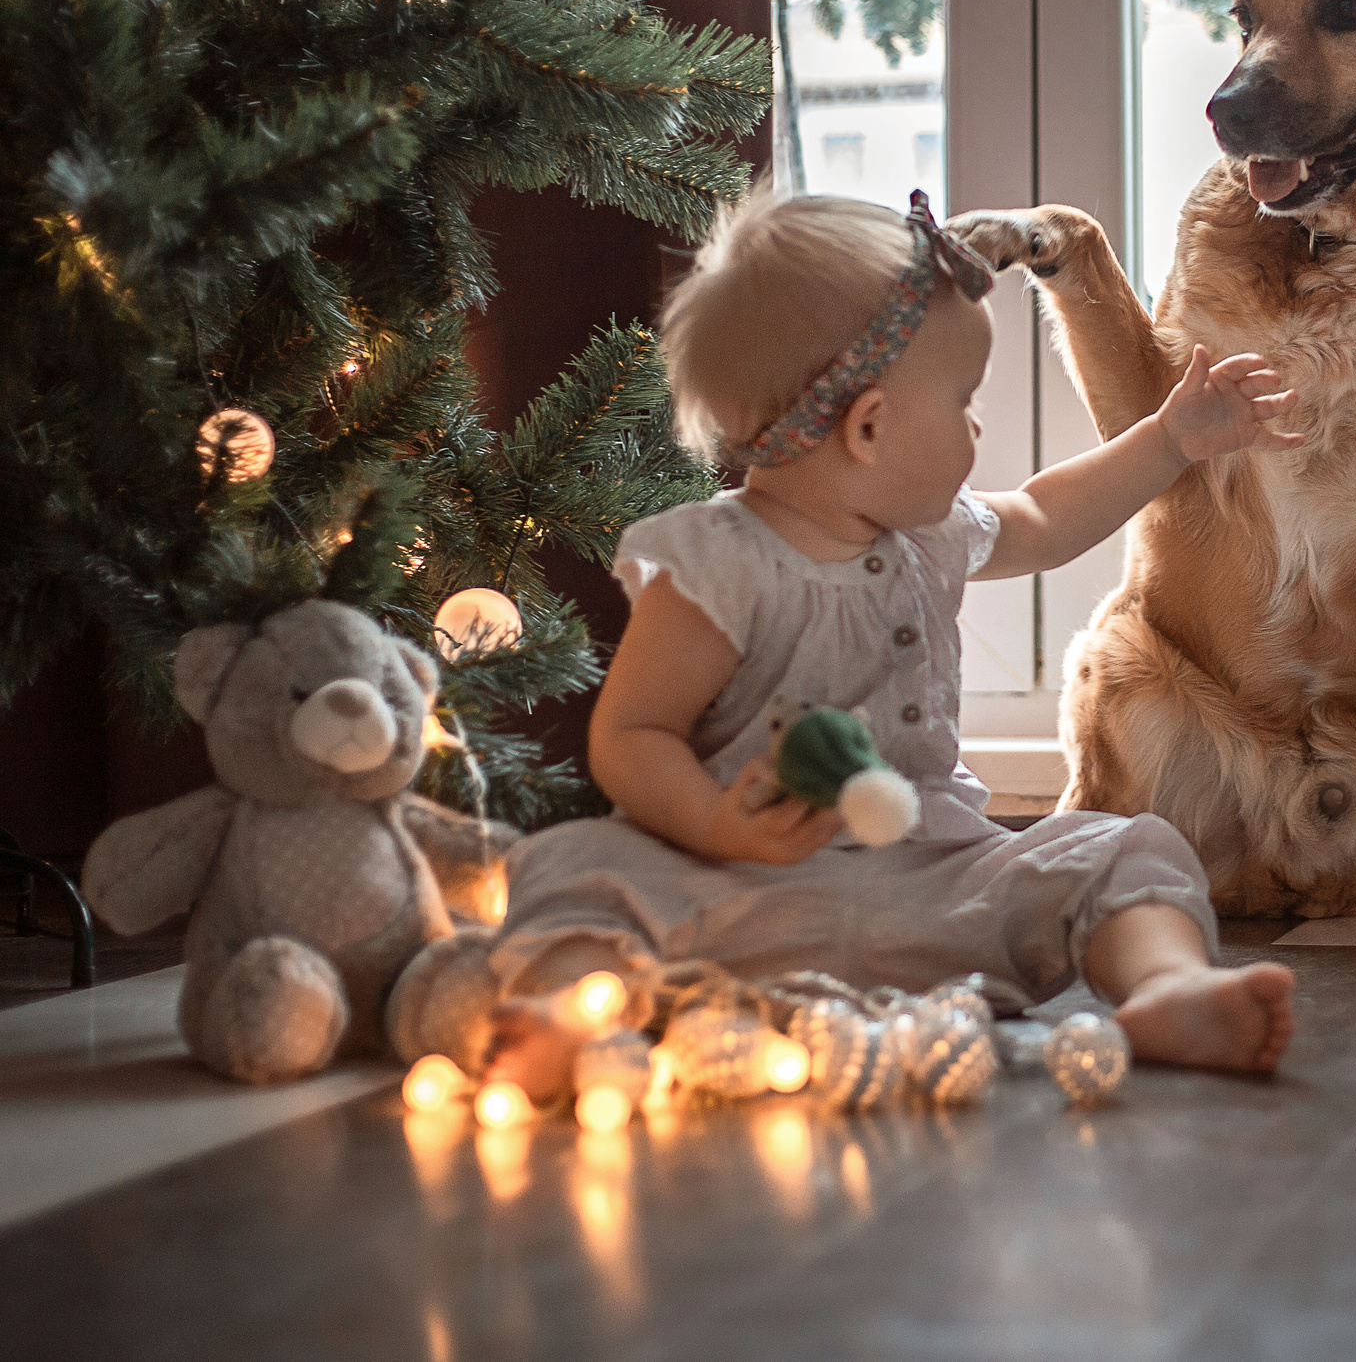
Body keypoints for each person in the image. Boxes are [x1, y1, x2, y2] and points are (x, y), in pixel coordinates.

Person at [481, 188, 1303, 1098]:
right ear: (868, 427)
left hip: (931, 883)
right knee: (573, 868)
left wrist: (1171, 439)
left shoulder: (931, 532)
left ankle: (1168, 988)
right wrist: (718, 825)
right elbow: (632, 735)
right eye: (963, 401)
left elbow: (1044, 516)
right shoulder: (719, 563)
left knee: (1128, 848)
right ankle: (567, 1017)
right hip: (737, 888)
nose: (977, 426)